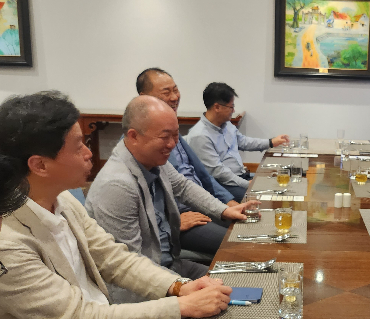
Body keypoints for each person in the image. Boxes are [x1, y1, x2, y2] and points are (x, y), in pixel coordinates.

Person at [0, 91, 233, 319]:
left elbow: (114, 257)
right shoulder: (7, 242)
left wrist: (179, 288)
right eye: (78, 145)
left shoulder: (62, 201)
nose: (89, 153)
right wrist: (180, 306)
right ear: (39, 164)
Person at [86, 95, 255, 303]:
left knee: (248, 283)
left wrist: (224, 210)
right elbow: (128, 267)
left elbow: (183, 186)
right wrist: (181, 288)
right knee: (230, 302)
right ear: (133, 136)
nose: (173, 144)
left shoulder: (153, 160)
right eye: (165, 137)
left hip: (172, 266)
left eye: (176, 136)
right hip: (146, 289)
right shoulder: (117, 186)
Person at [136, 67, 237, 258]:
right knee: (238, 244)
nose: (174, 97)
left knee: (251, 229)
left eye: (175, 90)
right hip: (183, 219)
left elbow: (202, 177)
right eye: (166, 92)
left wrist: (227, 203)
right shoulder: (142, 144)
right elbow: (145, 199)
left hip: (202, 204)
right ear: (144, 97)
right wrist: (171, 220)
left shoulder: (173, 132)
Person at [185, 82, 289, 202]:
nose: (233, 110)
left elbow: (243, 142)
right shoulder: (200, 136)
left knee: (281, 185)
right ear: (217, 107)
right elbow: (220, 173)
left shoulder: (226, 124)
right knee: (268, 198)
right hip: (224, 185)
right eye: (231, 107)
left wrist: (270, 142)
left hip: (241, 176)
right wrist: (247, 184)